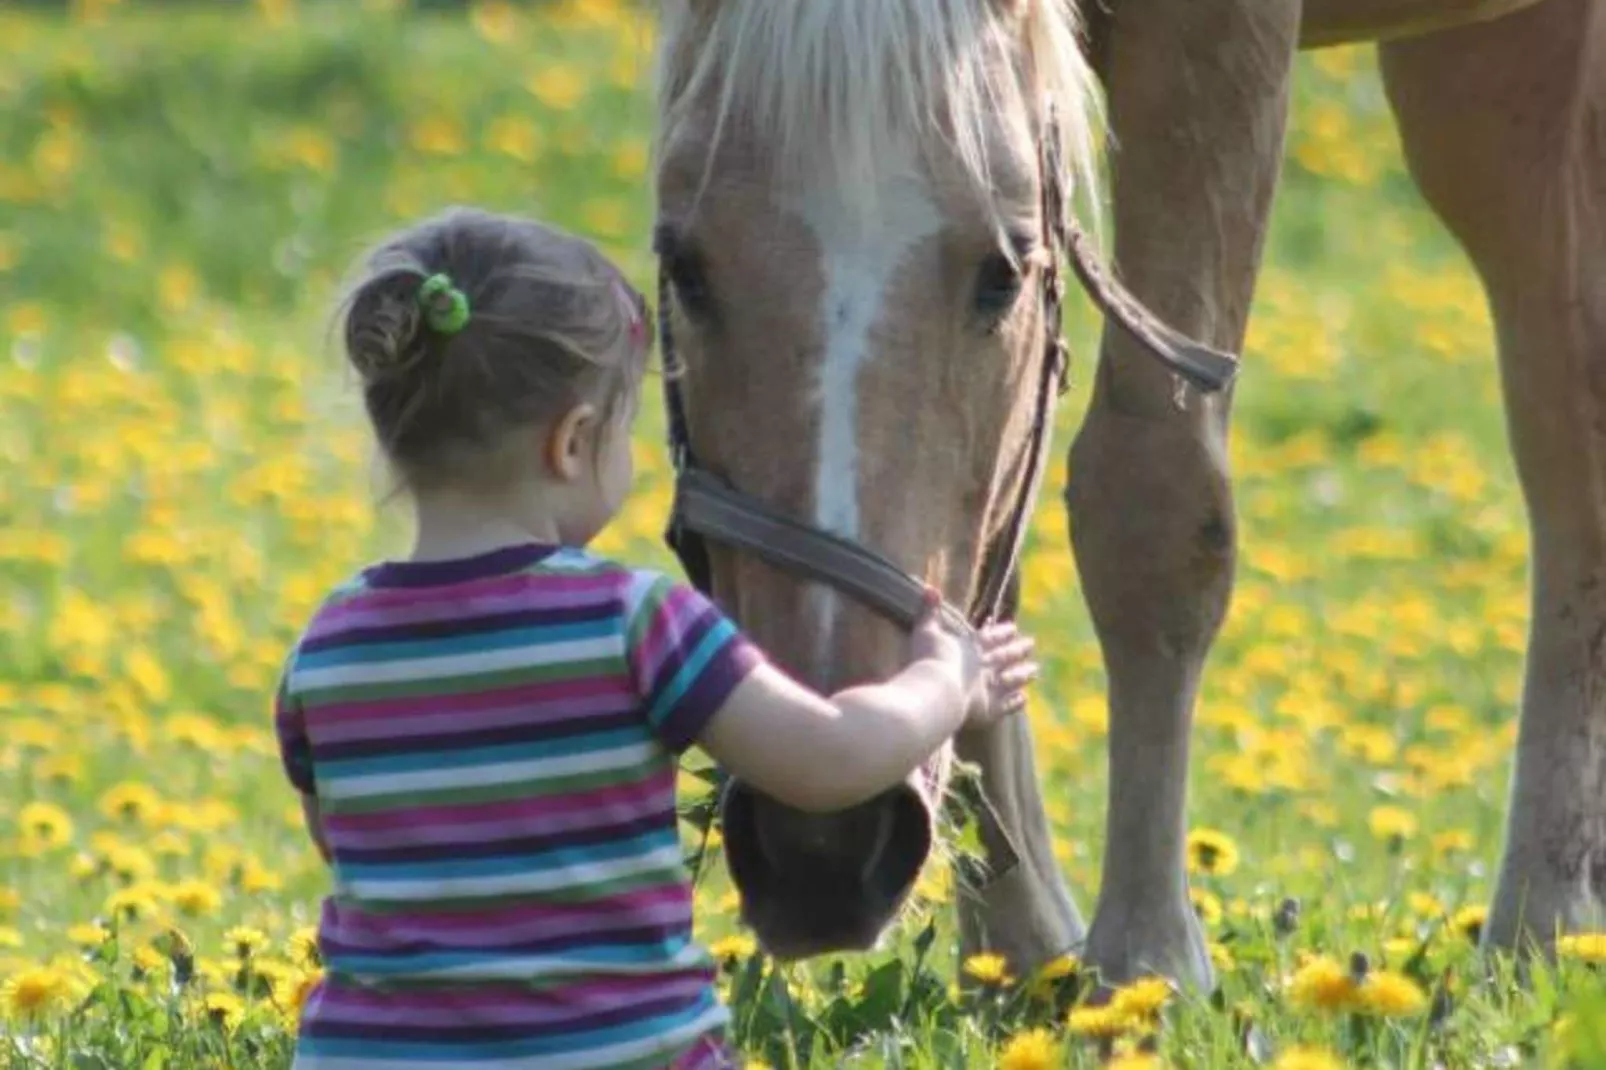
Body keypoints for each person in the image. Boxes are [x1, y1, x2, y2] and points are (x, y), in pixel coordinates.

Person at [273, 206, 1039, 1070]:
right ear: (571, 444)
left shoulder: (327, 650)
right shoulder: (633, 624)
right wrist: (947, 681)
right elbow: (826, 762)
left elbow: (351, 848)